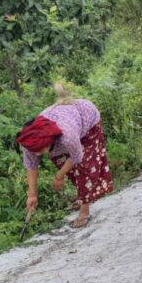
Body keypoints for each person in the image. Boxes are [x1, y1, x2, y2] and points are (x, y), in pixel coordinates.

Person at [15, 85, 112, 229]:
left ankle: (84, 209)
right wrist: (32, 195)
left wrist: (59, 176)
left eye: (40, 151)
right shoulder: (30, 141)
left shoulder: (67, 137)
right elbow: (31, 166)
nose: (36, 154)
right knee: (69, 168)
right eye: (34, 151)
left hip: (88, 120)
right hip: (66, 119)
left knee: (85, 166)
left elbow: (77, 157)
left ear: (50, 143)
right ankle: (83, 195)